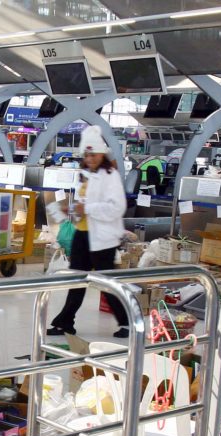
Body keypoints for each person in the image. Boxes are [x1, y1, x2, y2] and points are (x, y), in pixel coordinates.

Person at [47, 125, 133, 339]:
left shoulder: (109, 175)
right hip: (83, 234)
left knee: (105, 281)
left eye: (93, 154)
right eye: (87, 154)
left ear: (101, 154)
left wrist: (88, 209)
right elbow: (87, 205)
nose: (90, 158)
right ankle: (65, 322)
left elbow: (117, 207)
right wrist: (74, 209)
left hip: (103, 238)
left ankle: (127, 322)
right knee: (77, 279)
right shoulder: (87, 175)